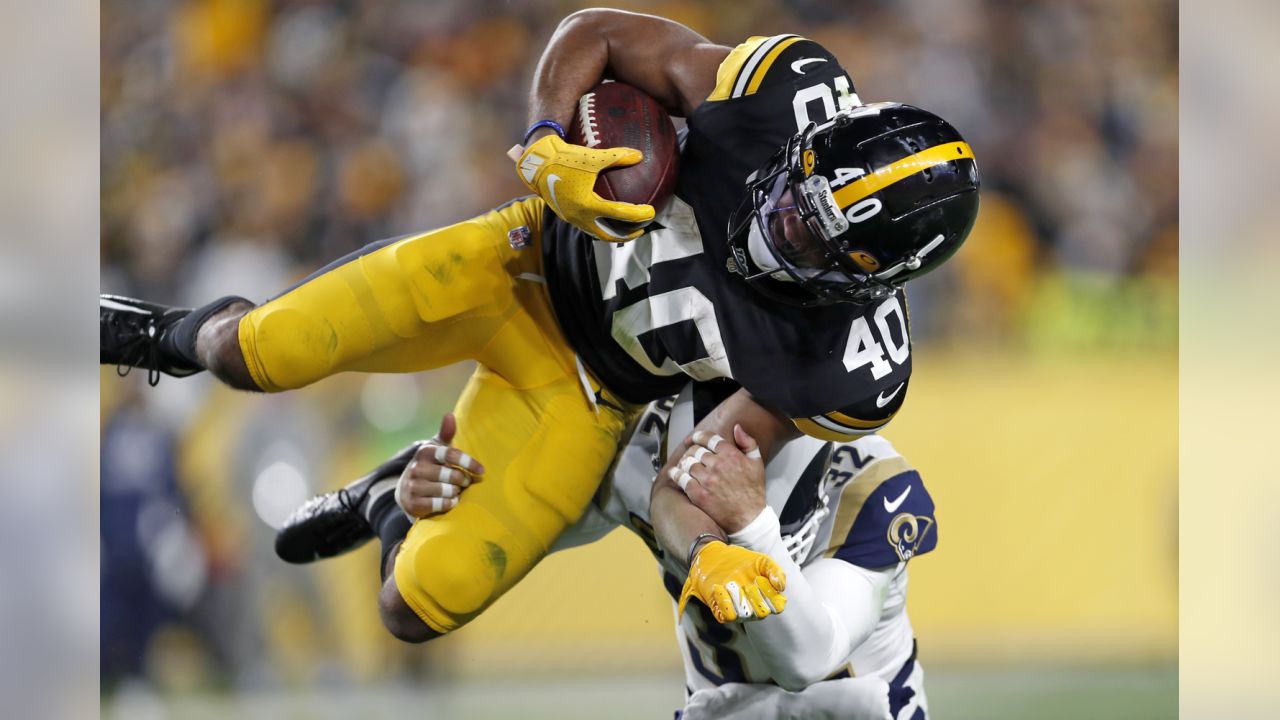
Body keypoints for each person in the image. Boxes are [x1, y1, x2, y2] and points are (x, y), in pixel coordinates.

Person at [100, 9, 978, 642]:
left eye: (808, 235)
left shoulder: (850, 366)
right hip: (519, 262)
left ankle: (386, 499)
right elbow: (595, 30)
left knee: (416, 608)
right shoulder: (779, 93)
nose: (779, 219)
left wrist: (712, 550)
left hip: (590, 391)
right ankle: (162, 337)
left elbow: (690, 471)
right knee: (257, 352)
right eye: (795, 191)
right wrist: (548, 141)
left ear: (872, 280)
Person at [286, 386, 937, 719]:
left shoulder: (875, 482)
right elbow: (470, 565)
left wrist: (751, 525)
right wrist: (413, 509)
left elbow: (809, 655)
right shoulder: (649, 447)